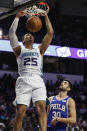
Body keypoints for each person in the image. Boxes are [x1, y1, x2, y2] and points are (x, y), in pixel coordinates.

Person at [9, 11, 53, 131]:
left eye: (30, 35)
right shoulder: (19, 50)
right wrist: (17, 17)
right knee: (20, 112)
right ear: (23, 40)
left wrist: (46, 17)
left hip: (37, 79)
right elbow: (12, 34)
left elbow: (50, 33)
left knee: (42, 108)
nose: (28, 35)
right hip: (23, 80)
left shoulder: (40, 49)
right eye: (26, 35)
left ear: (33, 39)